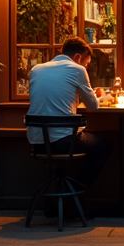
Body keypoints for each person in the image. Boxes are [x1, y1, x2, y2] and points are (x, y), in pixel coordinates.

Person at [26, 37, 113, 206]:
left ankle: (59, 199)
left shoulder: (37, 69)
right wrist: (102, 98)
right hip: (63, 141)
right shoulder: (76, 69)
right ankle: (71, 195)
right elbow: (93, 106)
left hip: (37, 141)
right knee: (106, 148)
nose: (86, 66)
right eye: (87, 63)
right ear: (78, 58)